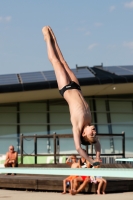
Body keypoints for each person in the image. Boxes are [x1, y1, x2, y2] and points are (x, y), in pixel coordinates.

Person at [42, 26, 101, 166]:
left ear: (84, 134)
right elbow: (97, 144)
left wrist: (91, 161)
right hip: (76, 86)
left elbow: (78, 148)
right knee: (63, 61)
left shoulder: (78, 126)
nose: (94, 131)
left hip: (66, 88)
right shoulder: (88, 121)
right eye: (95, 133)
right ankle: (54, 39)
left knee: (56, 62)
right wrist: (98, 156)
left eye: (92, 134)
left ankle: (47, 40)